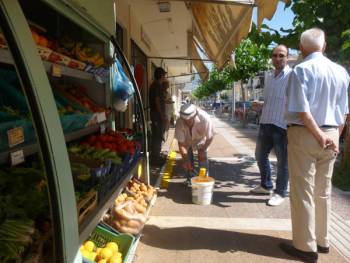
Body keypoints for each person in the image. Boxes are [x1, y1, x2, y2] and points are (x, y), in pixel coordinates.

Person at [279, 28, 349, 263]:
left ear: (301, 48)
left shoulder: (301, 70)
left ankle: (305, 247)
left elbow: (302, 110)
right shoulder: (341, 72)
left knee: (302, 192)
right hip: (331, 132)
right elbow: (343, 113)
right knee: (323, 192)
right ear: (324, 46)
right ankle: (323, 240)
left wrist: (319, 136)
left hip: (306, 134)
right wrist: (335, 137)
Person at [250, 44, 291, 206]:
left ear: (287, 57)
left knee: (283, 162)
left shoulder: (292, 76)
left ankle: (280, 192)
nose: (278, 58)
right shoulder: (269, 77)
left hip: (282, 125)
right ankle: (266, 185)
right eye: (275, 55)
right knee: (260, 155)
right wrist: (259, 104)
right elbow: (269, 100)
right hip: (266, 122)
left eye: (282, 55)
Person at [175, 103, 214, 186]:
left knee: (202, 157)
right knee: (187, 159)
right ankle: (190, 178)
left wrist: (203, 149)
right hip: (186, 141)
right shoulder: (179, 122)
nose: (187, 122)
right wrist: (185, 160)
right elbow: (181, 144)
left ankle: (204, 180)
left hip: (201, 140)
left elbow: (210, 137)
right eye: (185, 120)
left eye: (189, 119)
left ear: (195, 115)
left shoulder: (205, 118)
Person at [149, 67, 167, 164]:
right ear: (161, 75)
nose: (165, 77)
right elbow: (156, 101)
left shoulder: (156, 85)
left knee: (157, 135)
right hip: (157, 115)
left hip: (156, 114)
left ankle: (156, 156)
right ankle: (155, 159)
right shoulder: (156, 85)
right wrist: (162, 115)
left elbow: (158, 100)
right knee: (157, 136)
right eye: (164, 75)